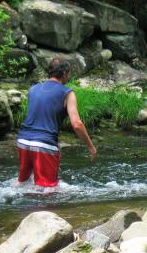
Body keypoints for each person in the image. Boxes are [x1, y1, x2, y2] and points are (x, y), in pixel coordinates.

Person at [16, 58, 97, 187]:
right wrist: (90, 147)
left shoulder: (33, 89)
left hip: (23, 141)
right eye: (69, 73)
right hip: (44, 145)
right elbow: (76, 124)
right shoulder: (67, 93)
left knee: (23, 182)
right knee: (48, 189)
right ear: (64, 73)